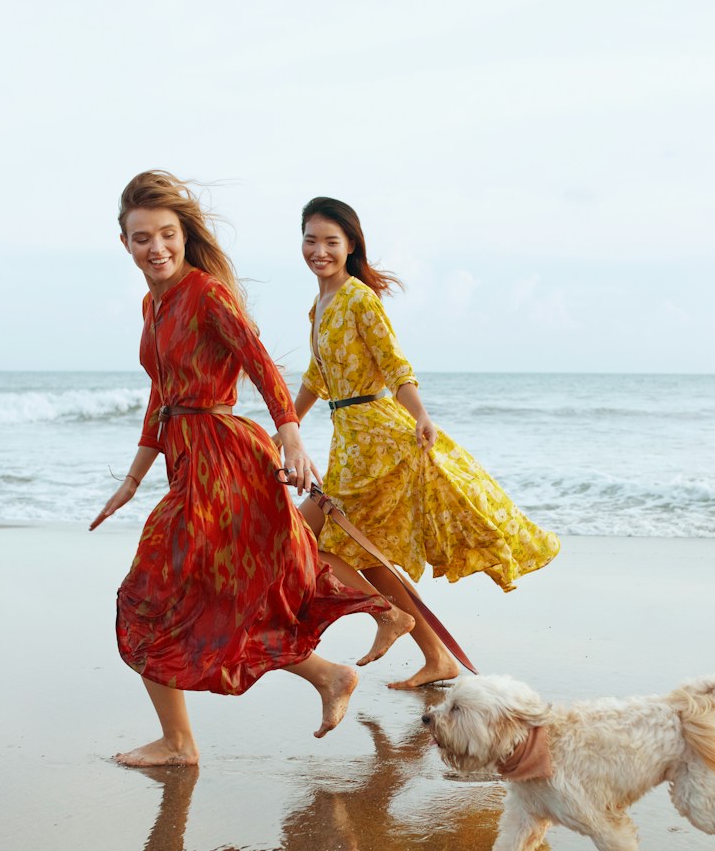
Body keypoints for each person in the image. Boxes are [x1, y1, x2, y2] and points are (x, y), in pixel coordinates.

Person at [91, 172, 412, 766]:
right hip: (188, 462)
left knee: (150, 595)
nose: (155, 248)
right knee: (221, 593)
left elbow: (260, 365)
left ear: (184, 237)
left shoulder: (206, 294)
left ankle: (182, 741)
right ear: (125, 244)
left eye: (166, 234)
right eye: (142, 238)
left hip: (227, 459)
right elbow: (160, 396)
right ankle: (325, 676)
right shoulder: (151, 304)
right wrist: (132, 479)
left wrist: (290, 435)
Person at [295, 196, 559, 689]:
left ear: (351, 246)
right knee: (361, 551)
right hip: (350, 440)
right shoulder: (319, 305)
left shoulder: (359, 299)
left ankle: (389, 615)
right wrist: (286, 426)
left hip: (378, 437)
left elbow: (395, 365)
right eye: (311, 239)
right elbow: (316, 375)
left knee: (317, 541)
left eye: (331, 241)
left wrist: (420, 414)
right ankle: (433, 653)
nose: (320, 250)